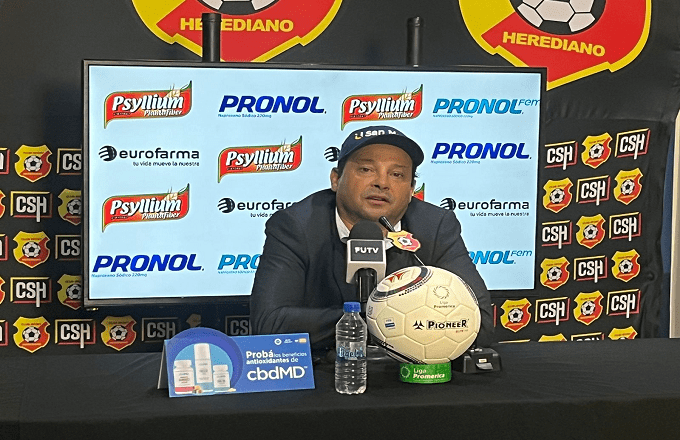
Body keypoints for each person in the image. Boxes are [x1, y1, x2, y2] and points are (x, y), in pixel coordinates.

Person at [250, 125, 493, 353]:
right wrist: (388, 320)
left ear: (411, 190)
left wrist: (387, 322)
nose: (382, 183)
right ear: (335, 179)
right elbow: (270, 323)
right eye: (366, 170)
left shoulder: (435, 226)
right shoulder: (296, 226)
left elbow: (479, 321)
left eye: (397, 174)